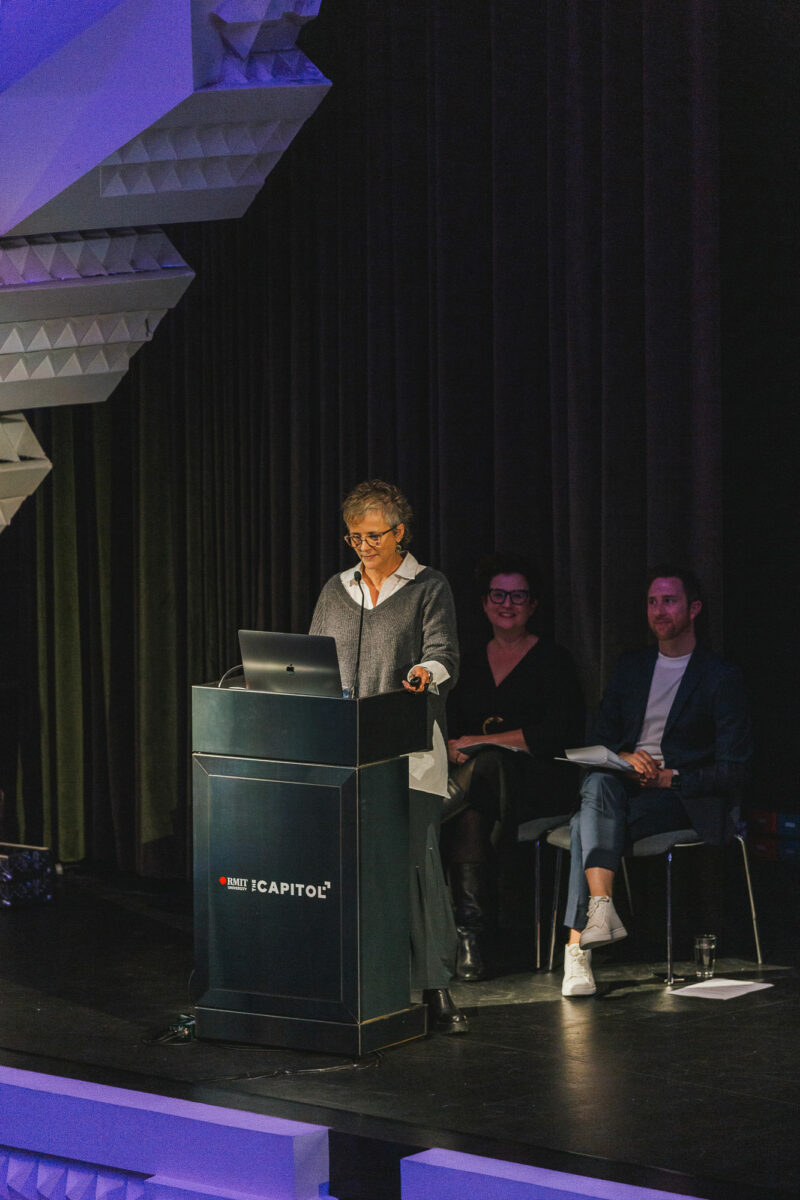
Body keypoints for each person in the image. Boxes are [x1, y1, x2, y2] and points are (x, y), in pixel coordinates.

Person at [309, 480, 468, 1034]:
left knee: (415, 867)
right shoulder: (337, 590)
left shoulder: (428, 587)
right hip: (348, 755)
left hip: (409, 753)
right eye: (355, 537)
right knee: (349, 869)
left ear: (400, 533)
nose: (364, 547)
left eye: (374, 536)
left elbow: (444, 653)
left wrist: (428, 674)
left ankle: (435, 987)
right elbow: (313, 661)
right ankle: (360, 980)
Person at [561, 566, 753, 997]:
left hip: (678, 797)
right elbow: (602, 738)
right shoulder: (632, 667)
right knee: (598, 783)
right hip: (624, 785)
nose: (659, 610)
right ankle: (599, 913)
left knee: (581, 826)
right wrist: (625, 757)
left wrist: (672, 777)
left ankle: (578, 950)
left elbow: (734, 769)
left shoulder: (721, 677)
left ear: (694, 608)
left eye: (669, 601)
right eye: (652, 601)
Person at [444, 553, 584, 981]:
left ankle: (468, 931)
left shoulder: (553, 660)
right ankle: (471, 934)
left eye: (518, 596)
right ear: (485, 602)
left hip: (540, 782)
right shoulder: (465, 661)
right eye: (498, 594)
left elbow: (557, 733)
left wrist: (480, 742)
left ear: (533, 604)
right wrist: (452, 747)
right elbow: (450, 730)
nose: (508, 603)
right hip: (483, 792)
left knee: (483, 769)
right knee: (472, 808)